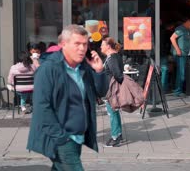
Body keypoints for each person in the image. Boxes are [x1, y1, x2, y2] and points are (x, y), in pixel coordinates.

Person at [27, 25, 107, 171]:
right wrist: (61, 138)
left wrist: (99, 71)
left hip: (77, 136)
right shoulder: (48, 69)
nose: (82, 48)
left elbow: (100, 93)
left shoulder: (83, 67)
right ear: (63, 44)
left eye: (85, 44)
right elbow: (41, 107)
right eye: (77, 44)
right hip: (61, 138)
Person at [100, 37, 125, 147]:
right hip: (111, 89)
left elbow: (118, 74)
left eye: (102, 44)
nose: (100, 46)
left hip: (111, 90)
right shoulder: (112, 57)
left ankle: (115, 137)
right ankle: (118, 135)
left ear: (108, 46)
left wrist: (114, 88)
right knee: (114, 112)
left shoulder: (112, 58)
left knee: (112, 113)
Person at [170, 16, 190, 96]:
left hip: (185, 53)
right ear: (188, 21)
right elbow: (172, 38)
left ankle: (179, 90)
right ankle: (178, 91)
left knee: (181, 72)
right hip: (181, 54)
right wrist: (178, 50)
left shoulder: (188, 29)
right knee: (181, 73)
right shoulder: (180, 29)